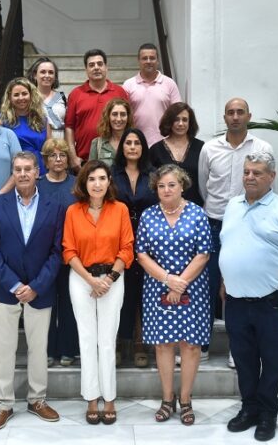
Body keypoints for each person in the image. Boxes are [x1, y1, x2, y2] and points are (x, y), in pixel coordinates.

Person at [219, 152, 278, 442]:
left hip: (271, 302)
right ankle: (249, 409)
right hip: (235, 301)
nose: (250, 177)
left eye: (257, 172)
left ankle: (269, 413)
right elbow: (230, 245)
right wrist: (224, 279)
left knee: (271, 362)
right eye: (246, 172)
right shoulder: (232, 206)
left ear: (272, 176)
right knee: (244, 361)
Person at [0, 151, 65, 431]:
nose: (23, 174)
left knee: (38, 349)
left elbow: (57, 252)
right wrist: (16, 285)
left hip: (40, 290)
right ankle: (4, 404)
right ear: (13, 173)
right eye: (17, 169)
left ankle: (37, 399)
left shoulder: (55, 207)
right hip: (6, 289)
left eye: (28, 169)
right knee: (4, 350)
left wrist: (37, 286)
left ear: (37, 172)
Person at [197, 97, 274, 367]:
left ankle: (237, 347)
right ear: (224, 117)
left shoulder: (263, 148)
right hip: (214, 223)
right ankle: (202, 343)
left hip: (247, 225)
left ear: (249, 116)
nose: (235, 116)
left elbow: (266, 184)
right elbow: (203, 186)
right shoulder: (209, 148)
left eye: (240, 112)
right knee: (206, 285)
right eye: (230, 112)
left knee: (238, 288)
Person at [136, 164, 213, 426]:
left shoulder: (197, 214)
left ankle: (186, 399)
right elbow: (142, 254)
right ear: (155, 189)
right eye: (161, 185)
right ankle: (167, 399)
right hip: (158, 288)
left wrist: (180, 283)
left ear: (182, 186)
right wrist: (168, 280)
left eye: (172, 184)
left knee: (190, 345)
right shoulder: (148, 216)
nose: (166, 189)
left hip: (193, 288)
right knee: (163, 344)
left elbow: (203, 253)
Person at [62, 160, 134, 425]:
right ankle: (92, 397)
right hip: (82, 279)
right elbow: (68, 250)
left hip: (113, 279)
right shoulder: (73, 211)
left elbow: (127, 248)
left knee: (107, 340)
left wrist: (110, 278)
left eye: (102, 178)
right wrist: (91, 280)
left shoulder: (120, 210)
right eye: (91, 178)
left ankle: (110, 398)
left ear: (109, 182)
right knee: (87, 339)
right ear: (84, 182)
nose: (97, 183)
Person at [111, 128, 157, 367]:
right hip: (117, 238)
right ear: (122, 147)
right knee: (120, 291)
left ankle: (140, 342)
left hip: (147, 239)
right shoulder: (111, 173)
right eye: (128, 143)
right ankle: (120, 341)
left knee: (141, 291)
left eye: (137, 143)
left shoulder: (153, 174)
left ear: (143, 147)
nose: (132, 147)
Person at [37, 139, 79, 367]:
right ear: (45, 160)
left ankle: (68, 350)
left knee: (69, 304)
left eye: (62, 155)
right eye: (52, 155)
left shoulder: (76, 184)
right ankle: (49, 349)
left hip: (71, 255)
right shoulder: (38, 184)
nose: (58, 159)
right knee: (47, 304)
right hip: (43, 255)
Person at [65, 49, 129, 171]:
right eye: (91, 65)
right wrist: (73, 157)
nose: (96, 67)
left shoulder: (119, 92)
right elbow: (69, 127)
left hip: (115, 161)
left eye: (100, 64)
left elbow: (128, 124)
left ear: (106, 67)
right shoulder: (76, 94)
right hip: (83, 161)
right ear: (86, 70)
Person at [123, 43, 181, 147]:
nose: (148, 61)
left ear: (157, 61)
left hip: (165, 143)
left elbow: (177, 114)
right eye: (145, 58)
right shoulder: (128, 85)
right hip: (137, 144)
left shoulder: (169, 83)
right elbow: (123, 114)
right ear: (139, 61)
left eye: (152, 58)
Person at [149, 102, 204, 207]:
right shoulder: (155, 150)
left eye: (184, 120)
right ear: (169, 122)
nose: (181, 124)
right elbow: (151, 184)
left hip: (195, 209)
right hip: (164, 210)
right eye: (176, 119)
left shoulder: (201, 148)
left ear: (190, 122)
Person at [0, 77, 51, 173]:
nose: (21, 98)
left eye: (24, 94)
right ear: (10, 98)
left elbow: (49, 149)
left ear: (31, 95)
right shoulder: (2, 121)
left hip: (40, 168)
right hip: (16, 170)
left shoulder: (42, 120)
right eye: (16, 95)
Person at [27, 57, 67, 139]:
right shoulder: (27, 97)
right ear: (35, 75)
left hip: (59, 142)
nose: (47, 75)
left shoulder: (63, 97)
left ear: (55, 76)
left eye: (51, 72)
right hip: (36, 139)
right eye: (43, 72)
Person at [89, 98, 134, 167]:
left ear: (128, 117)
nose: (119, 119)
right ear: (108, 117)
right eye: (114, 114)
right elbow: (90, 172)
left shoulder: (135, 143)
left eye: (123, 114)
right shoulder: (97, 144)